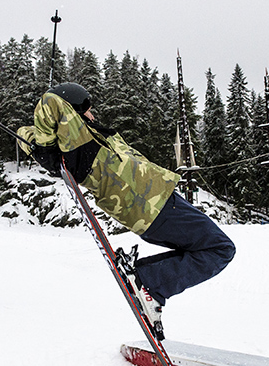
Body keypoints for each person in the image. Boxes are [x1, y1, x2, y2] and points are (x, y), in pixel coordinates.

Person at [17, 82, 235, 338]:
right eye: (87, 109)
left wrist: (42, 144)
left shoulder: (80, 144)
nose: (93, 115)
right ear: (74, 110)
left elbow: (24, 133)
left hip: (149, 207)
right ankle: (150, 283)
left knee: (206, 248)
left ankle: (147, 279)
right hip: (154, 203)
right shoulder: (79, 140)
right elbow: (50, 101)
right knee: (221, 248)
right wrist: (44, 144)